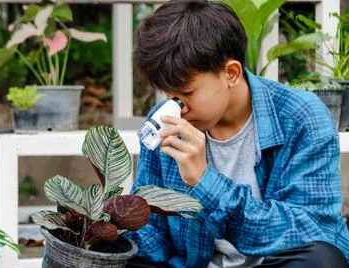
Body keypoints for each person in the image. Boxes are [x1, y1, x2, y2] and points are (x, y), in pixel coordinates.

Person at [125, 0, 349, 267]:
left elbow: (311, 233)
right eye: (169, 95)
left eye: (186, 94)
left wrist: (206, 182)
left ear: (231, 73)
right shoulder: (164, 120)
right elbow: (152, 234)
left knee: (321, 260)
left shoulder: (302, 117)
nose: (177, 108)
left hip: (275, 263)